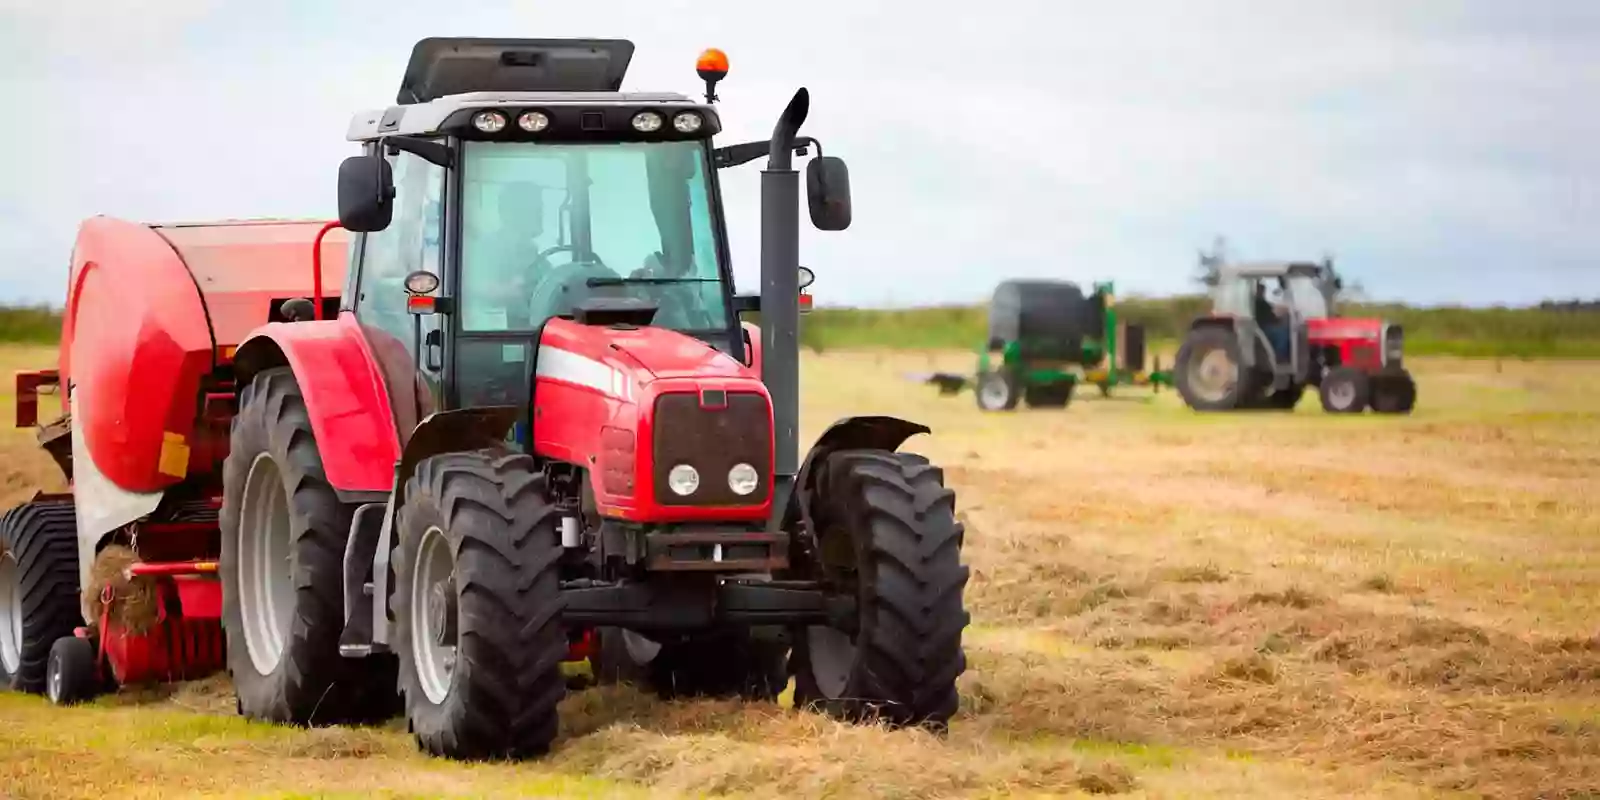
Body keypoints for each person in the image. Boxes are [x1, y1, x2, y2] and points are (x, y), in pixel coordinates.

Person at [1254, 280, 1291, 361]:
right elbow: (1270, 316)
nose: (1263, 292)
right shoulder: (1258, 303)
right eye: (1261, 289)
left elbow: (1272, 312)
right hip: (1262, 328)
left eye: (1263, 290)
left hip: (1264, 326)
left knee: (1282, 330)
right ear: (1257, 290)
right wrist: (1278, 318)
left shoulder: (1262, 302)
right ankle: (1279, 356)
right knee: (1282, 334)